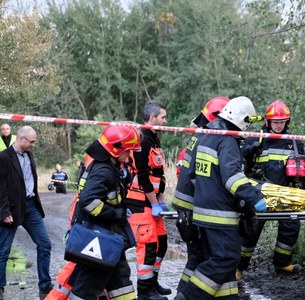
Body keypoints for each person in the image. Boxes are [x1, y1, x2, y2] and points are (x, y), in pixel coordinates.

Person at [176, 96, 267, 300]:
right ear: (243, 120)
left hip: (203, 212)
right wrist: (254, 199)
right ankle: (189, 296)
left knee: (215, 261)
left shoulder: (208, 134)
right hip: (220, 215)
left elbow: (195, 176)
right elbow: (232, 179)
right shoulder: (227, 141)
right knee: (226, 258)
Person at [237, 100, 305, 278]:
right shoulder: (256, 137)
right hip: (259, 194)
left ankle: (282, 264)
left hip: (286, 194)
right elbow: (237, 162)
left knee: (290, 226)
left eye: (282, 122)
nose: (278, 125)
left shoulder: (293, 141)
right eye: (275, 122)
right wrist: (247, 151)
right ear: (268, 122)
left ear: (287, 122)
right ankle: (238, 268)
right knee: (250, 230)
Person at [67, 125, 140, 299]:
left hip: (109, 238)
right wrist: (116, 214)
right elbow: (88, 201)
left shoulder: (105, 166)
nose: (130, 155)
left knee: (121, 283)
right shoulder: (104, 170)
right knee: (88, 286)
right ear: (116, 149)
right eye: (128, 151)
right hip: (100, 239)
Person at [172, 96, 229, 295]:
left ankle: (185, 292)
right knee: (202, 256)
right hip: (196, 208)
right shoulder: (209, 138)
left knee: (198, 256)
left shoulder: (199, 135)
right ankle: (185, 294)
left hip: (188, 206)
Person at [0, 126, 53, 300]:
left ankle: (45, 286)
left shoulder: (29, 154)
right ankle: (0, 288)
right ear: (21, 139)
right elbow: (1, 188)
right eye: (32, 141)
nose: (34, 145)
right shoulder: (4, 157)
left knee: (45, 244)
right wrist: (4, 212)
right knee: (3, 252)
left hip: (31, 207)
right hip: (12, 210)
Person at [125, 101, 170, 300]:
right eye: (163, 117)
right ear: (152, 118)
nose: (165, 121)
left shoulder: (153, 138)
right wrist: (154, 204)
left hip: (152, 200)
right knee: (148, 245)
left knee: (162, 242)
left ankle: (153, 282)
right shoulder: (142, 140)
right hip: (139, 201)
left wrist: (161, 201)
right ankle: (144, 291)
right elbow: (143, 176)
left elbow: (158, 174)